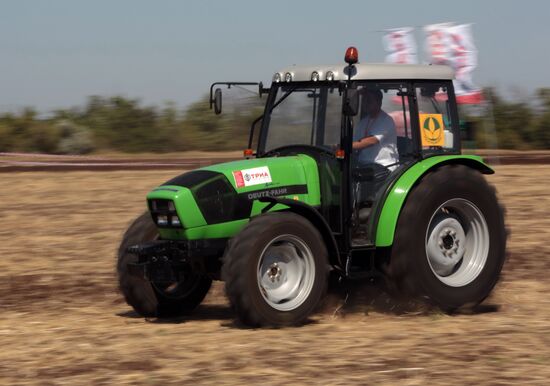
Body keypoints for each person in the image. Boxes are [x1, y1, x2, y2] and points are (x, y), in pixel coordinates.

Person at [352, 88, 398, 170]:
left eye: (369, 101)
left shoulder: (386, 120)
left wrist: (346, 146)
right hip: (364, 165)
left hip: (383, 166)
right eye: (364, 101)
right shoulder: (363, 122)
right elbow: (355, 142)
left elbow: (372, 140)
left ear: (379, 102)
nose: (365, 103)